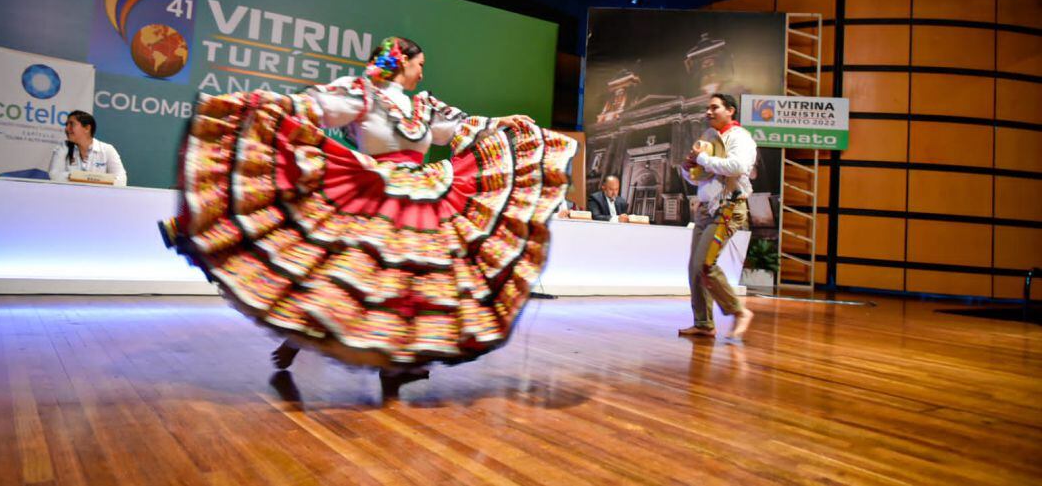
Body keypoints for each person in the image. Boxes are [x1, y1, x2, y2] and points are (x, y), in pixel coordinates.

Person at [160, 36, 576, 399]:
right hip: (373, 191)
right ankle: (308, 336)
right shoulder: (362, 94)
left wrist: (509, 125)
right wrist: (267, 106)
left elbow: (466, 128)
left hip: (422, 196)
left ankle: (398, 361)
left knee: (413, 280)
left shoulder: (426, 107)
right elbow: (314, 107)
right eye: (419, 65)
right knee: (343, 274)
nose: (421, 73)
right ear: (401, 62)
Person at [678, 93, 756, 340]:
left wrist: (702, 159)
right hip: (706, 208)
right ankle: (703, 323)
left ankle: (739, 311)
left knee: (705, 264)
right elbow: (701, 176)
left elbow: (738, 167)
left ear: (730, 110)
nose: (708, 112)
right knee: (695, 268)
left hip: (729, 207)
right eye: (707, 108)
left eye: (715, 107)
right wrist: (690, 169)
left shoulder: (739, 137)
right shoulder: (710, 138)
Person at [48, 111, 127, 186]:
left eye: (71, 124)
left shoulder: (107, 150)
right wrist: (95, 179)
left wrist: (78, 178)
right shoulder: (63, 148)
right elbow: (54, 175)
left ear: (87, 128)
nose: (66, 128)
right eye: (66, 125)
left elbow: (121, 181)